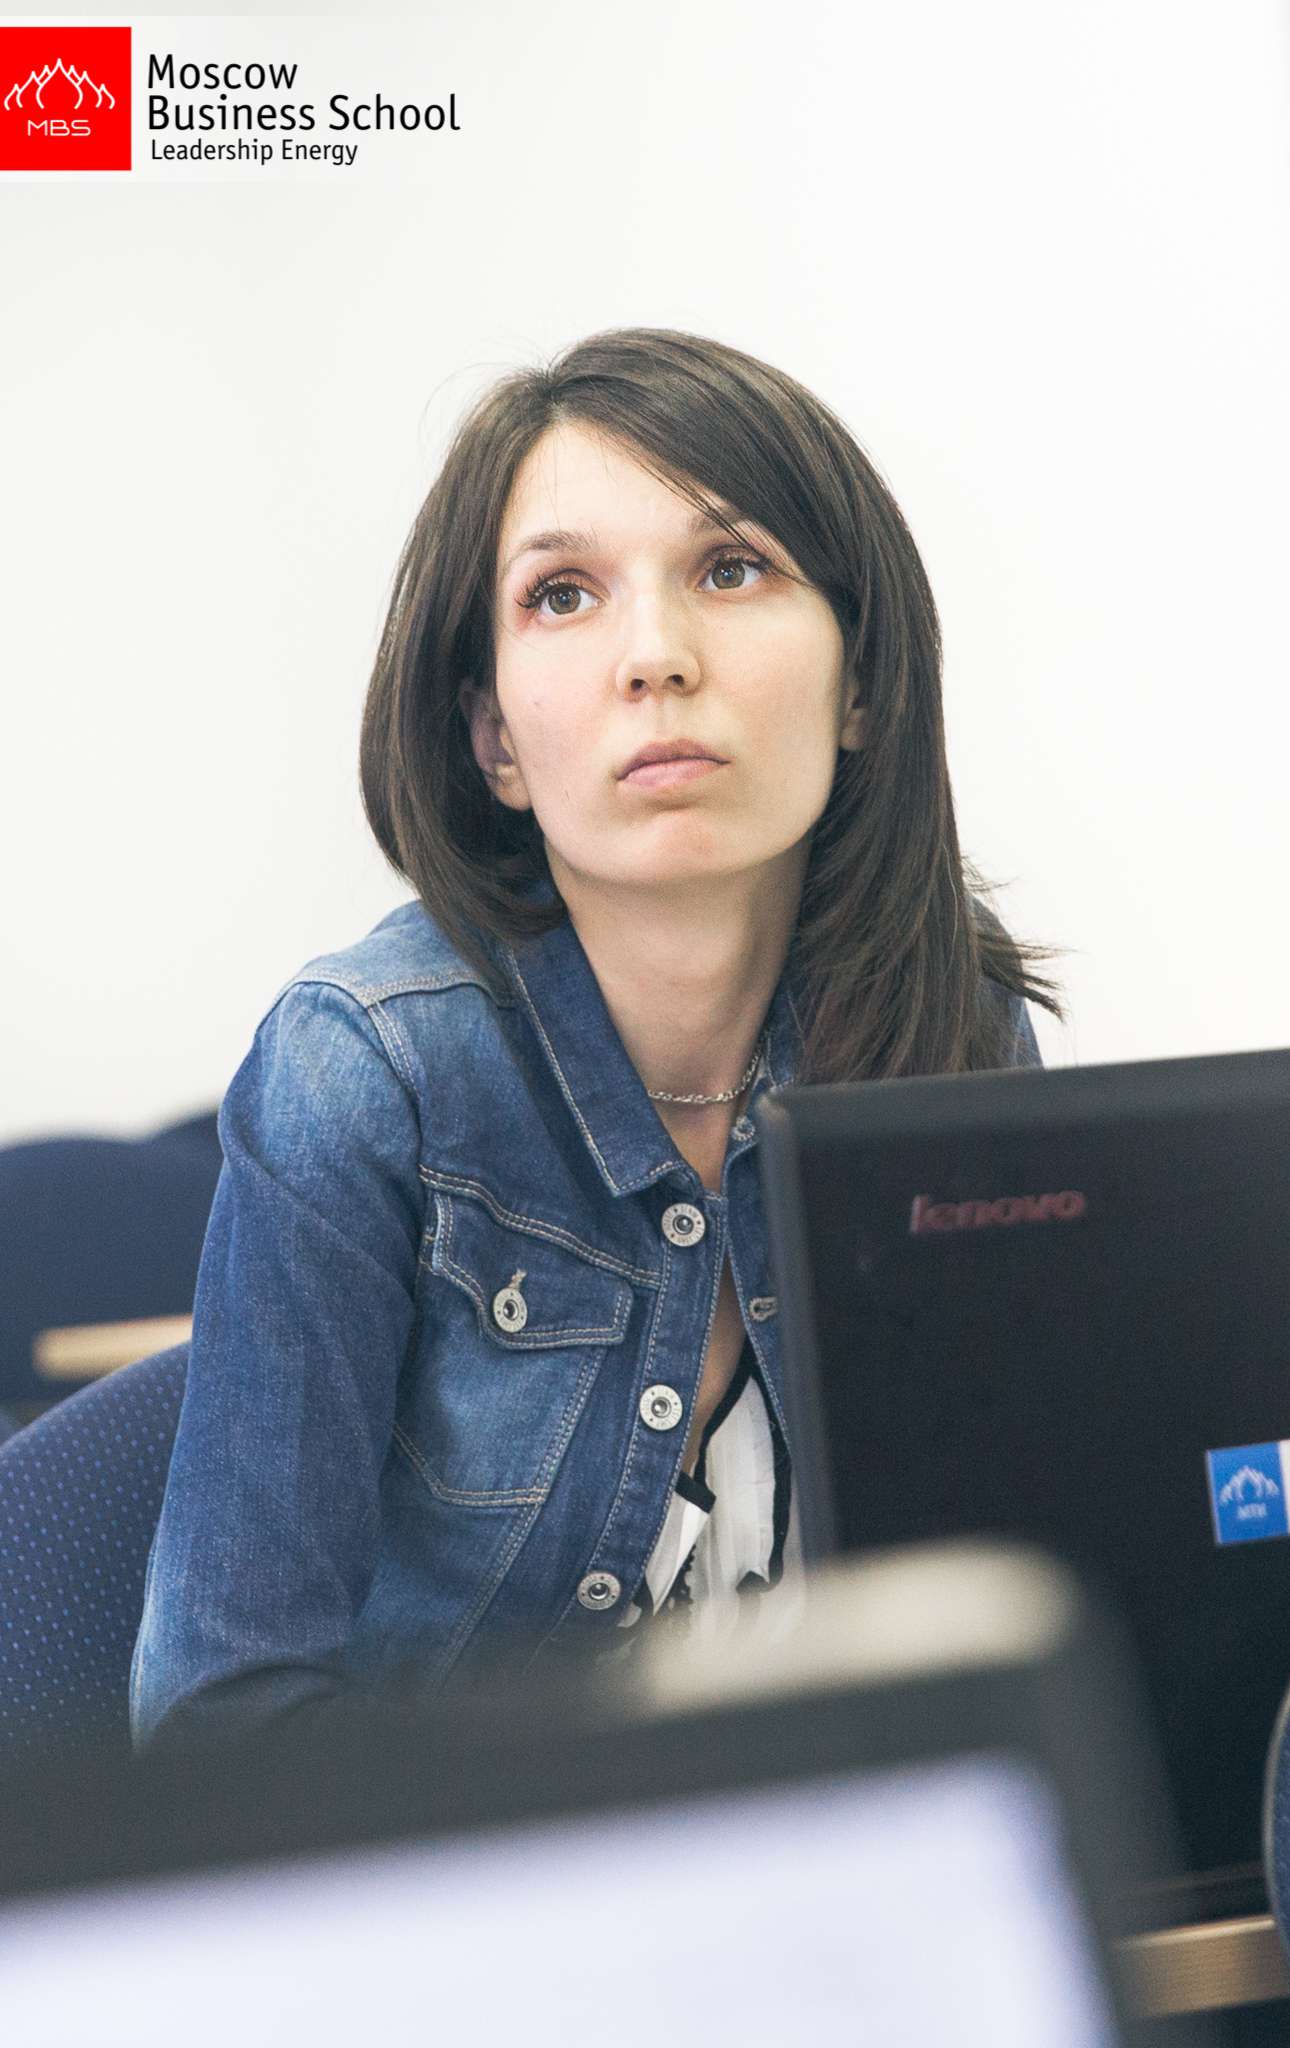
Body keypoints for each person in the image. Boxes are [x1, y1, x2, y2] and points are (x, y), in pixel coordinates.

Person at [129, 327, 1066, 1746]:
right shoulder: (366, 1073)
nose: (656, 657)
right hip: (469, 1874)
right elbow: (221, 1717)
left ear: (863, 685)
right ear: (494, 739)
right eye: (562, 595)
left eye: (731, 568)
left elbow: (1025, 1592)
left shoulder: (950, 1023)